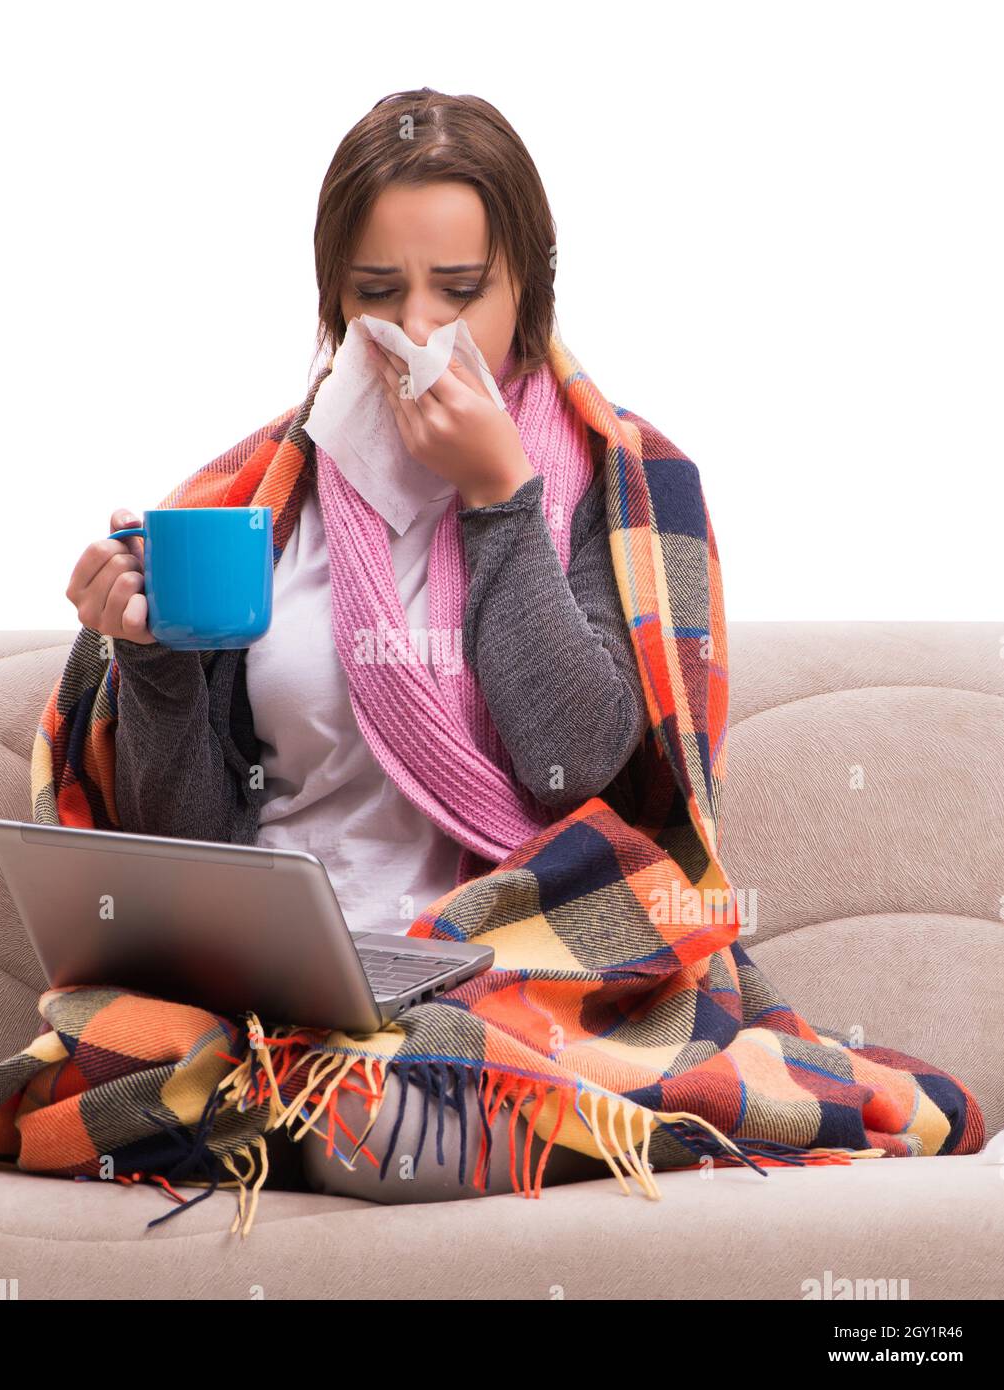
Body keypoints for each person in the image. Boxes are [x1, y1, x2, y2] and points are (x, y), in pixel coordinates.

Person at [62, 88, 649, 1202]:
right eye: (377, 292)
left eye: (460, 292)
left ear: (529, 292)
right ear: (334, 299)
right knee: (118, 1068)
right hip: (267, 993)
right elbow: (189, 839)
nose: (414, 331)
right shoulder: (254, 509)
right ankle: (274, 1103)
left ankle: (327, 1115)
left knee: (363, 1124)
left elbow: (574, 763)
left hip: (491, 977)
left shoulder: (603, 487)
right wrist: (147, 656)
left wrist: (498, 494)